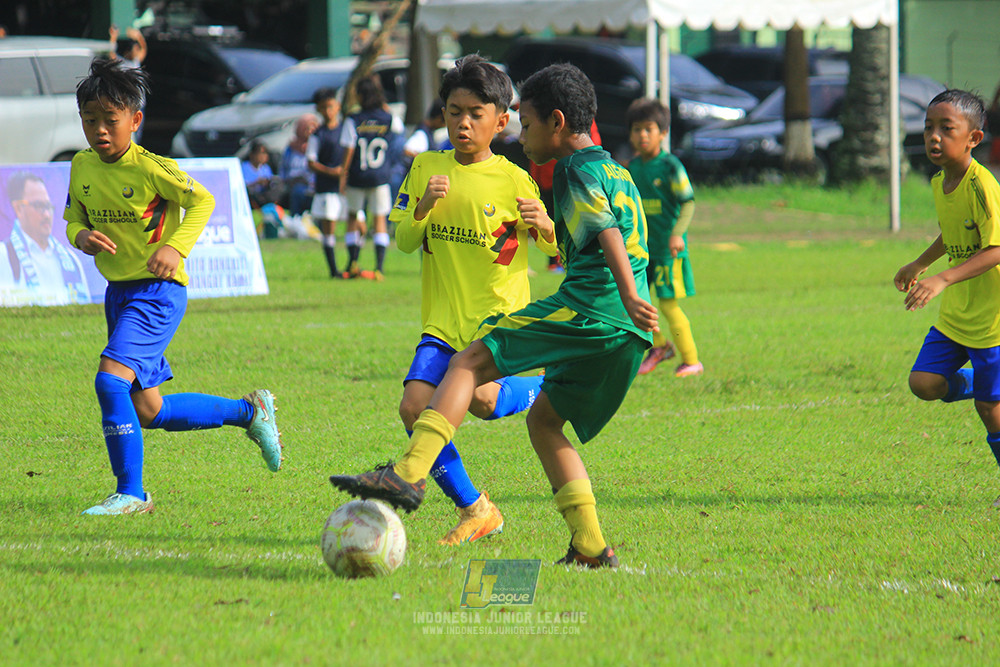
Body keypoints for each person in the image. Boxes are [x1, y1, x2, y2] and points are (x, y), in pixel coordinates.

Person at [331, 63, 659, 568]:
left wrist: (626, 291)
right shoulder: (616, 168)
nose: (520, 135)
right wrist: (635, 298)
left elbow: (607, 235)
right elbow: (620, 236)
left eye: (524, 124)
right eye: (453, 112)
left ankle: (409, 472)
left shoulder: (570, 170)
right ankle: (590, 544)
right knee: (545, 421)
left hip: (594, 307)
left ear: (553, 122)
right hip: (625, 329)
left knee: (467, 367)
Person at [64, 57, 283, 516]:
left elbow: (204, 198)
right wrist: (80, 236)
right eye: (90, 121)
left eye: (110, 120)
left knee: (110, 383)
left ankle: (131, 493)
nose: (99, 130)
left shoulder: (151, 168)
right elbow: (74, 217)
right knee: (149, 411)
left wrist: (177, 248)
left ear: (135, 120)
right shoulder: (82, 165)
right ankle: (250, 412)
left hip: (157, 294)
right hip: (119, 294)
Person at [388, 55, 557, 545]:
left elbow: (553, 247)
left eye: (475, 113)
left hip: (495, 319)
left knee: (484, 401)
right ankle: (477, 509)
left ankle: (543, 387)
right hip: (442, 321)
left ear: (500, 122)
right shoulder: (425, 168)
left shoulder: (513, 178)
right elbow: (402, 239)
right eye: (453, 110)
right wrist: (421, 207)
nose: (463, 122)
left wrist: (544, 225)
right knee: (413, 407)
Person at [894, 89, 1000, 505]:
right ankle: (986, 383)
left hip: (991, 315)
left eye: (946, 129)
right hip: (959, 313)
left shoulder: (982, 185)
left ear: (973, 138)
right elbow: (953, 233)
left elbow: (995, 248)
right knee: (923, 383)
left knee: (990, 410)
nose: (934, 137)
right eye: (928, 128)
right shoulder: (941, 182)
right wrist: (919, 263)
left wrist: (942, 280)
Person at [626, 98, 703, 378]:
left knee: (668, 305)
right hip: (642, 252)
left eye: (649, 129)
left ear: (663, 133)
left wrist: (677, 234)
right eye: (636, 129)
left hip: (668, 251)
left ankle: (692, 361)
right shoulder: (632, 168)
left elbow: (688, 202)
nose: (642, 135)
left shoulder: (671, 166)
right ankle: (659, 346)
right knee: (637, 301)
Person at [339, 75, 404, 280]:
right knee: (379, 221)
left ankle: (353, 262)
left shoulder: (353, 119)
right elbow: (399, 129)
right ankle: (379, 268)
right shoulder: (388, 118)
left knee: (352, 216)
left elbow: (348, 148)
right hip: (380, 177)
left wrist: (343, 174)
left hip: (358, 176)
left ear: (359, 95)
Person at [0, 171, 91, 306]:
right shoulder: (5, 255)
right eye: (39, 206)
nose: (47, 215)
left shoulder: (70, 259)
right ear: (18, 208)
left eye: (48, 206)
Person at [529, 120, 601, 273]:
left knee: (570, 222)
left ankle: (567, 260)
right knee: (554, 221)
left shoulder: (579, 117)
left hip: (571, 179)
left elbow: (593, 142)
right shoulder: (549, 118)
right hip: (549, 182)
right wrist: (536, 179)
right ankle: (555, 261)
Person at [307, 87, 348, 278]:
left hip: (346, 188)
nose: (328, 111)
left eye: (331, 106)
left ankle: (351, 265)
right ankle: (334, 270)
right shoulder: (318, 135)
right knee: (329, 227)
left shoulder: (345, 130)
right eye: (323, 107)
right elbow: (311, 162)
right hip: (326, 188)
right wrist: (331, 171)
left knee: (359, 224)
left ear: (338, 106)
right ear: (319, 110)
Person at [109, 25, 147, 142]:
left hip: (140, 104)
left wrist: (139, 37)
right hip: (129, 104)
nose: (136, 51)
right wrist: (113, 37)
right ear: (127, 52)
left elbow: (143, 50)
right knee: (130, 131)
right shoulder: (122, 63)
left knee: (138, 130)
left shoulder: (135, 61)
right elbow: (111, 54)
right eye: (134, 49)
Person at [280, 114, 319, 217]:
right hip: (292, 185)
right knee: (297, 191)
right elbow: (283, 169)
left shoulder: (318, 148)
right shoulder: (291, 148)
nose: (309, 131)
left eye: (312, 127)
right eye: (306, 127)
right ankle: (296, 220)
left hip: (312, 186)